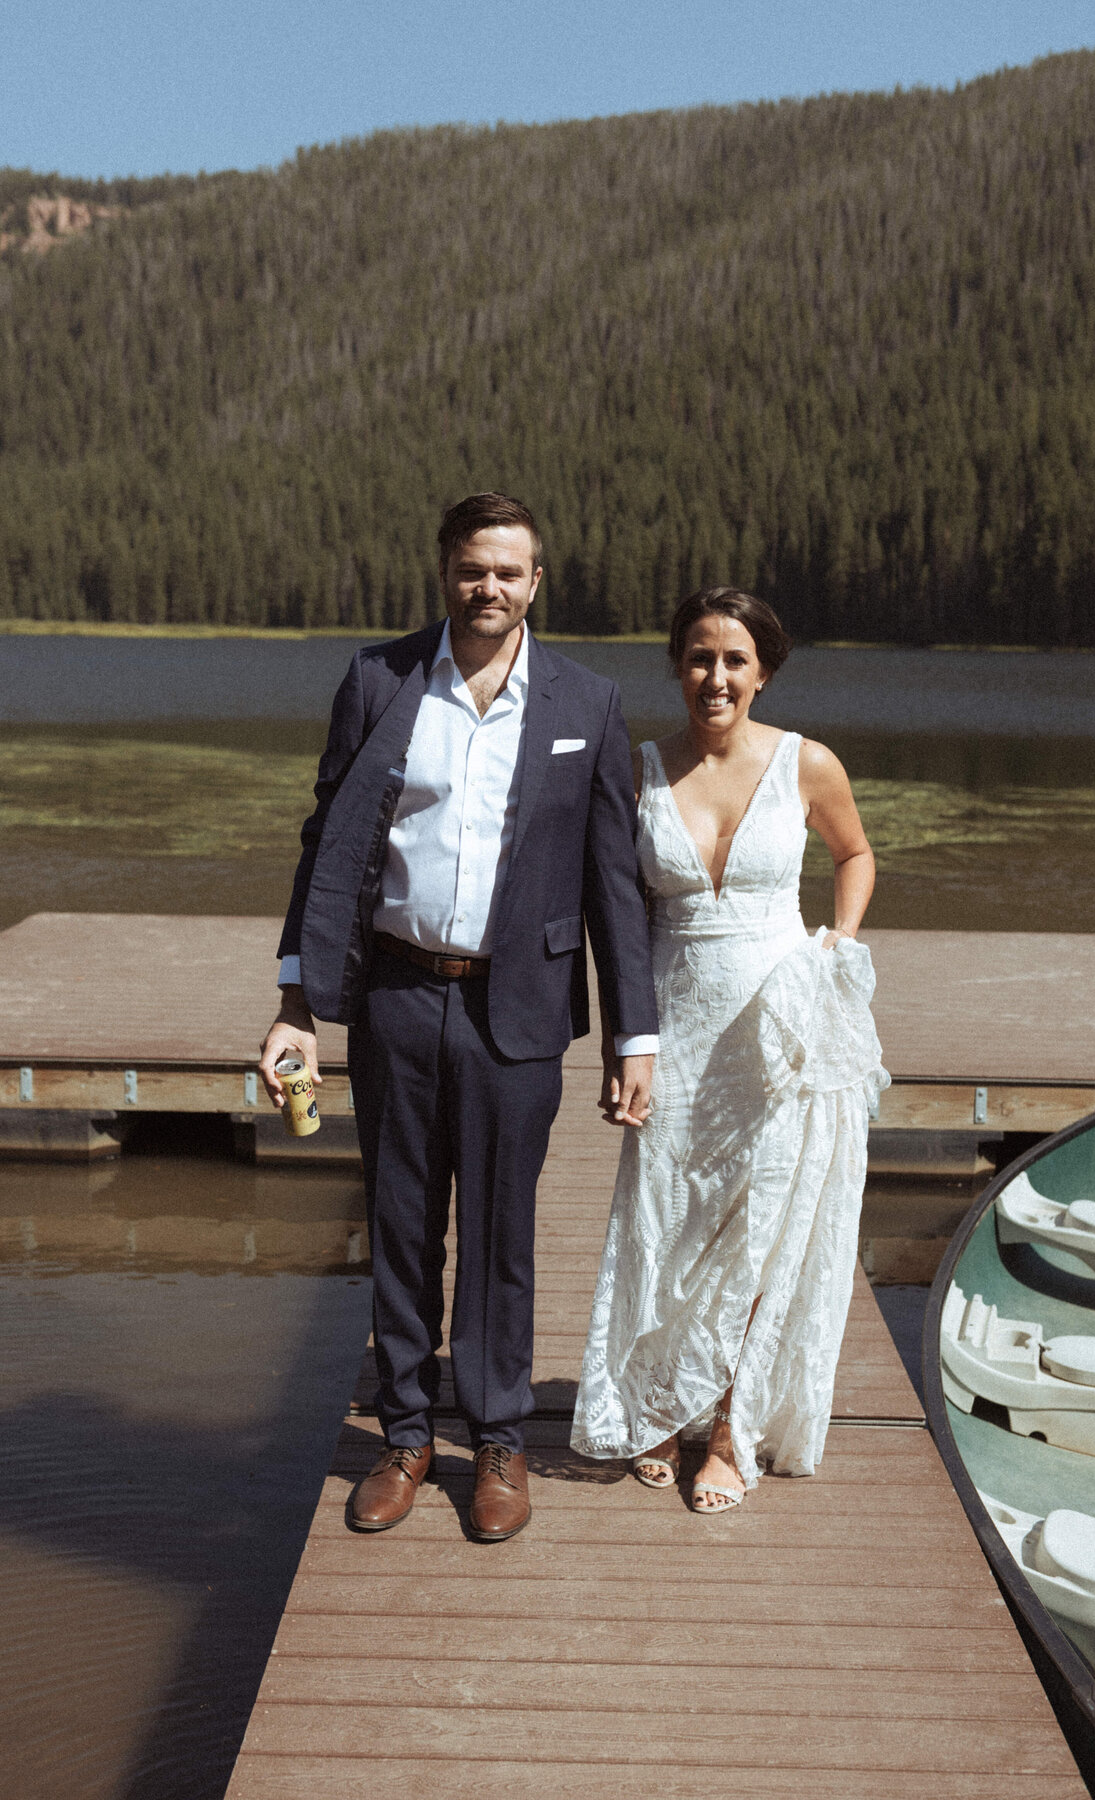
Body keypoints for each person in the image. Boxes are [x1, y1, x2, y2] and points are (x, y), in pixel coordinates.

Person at [259, 493, 658, 1542]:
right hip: (393, 995)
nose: (489, 587)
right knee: (398, 1222)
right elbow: (327, 845)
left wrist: (635, 1036)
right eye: (473, 569)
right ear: (445, 571)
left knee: (500, 1230)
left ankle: (497, 1437)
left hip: (515, 1007)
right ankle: (404, 1431)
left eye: (508, 572)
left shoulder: (587, 703)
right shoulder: (381, 680)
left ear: (537, 581)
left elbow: (615, 884)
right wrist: (299, 1001)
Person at [571, 587, 889, 1512]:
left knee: (761, 1225)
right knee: (667, 1218)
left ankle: (728, 1430)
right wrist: (622, 1041)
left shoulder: (807, 763)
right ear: (677, 665)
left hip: (777, 1025)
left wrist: (839, 939)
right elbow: (617, 914)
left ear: (764, 672)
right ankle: (660, 1406)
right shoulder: (637, 770)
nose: (716, 677)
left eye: (735, 661)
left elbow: (856, 855)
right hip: (674, 1020)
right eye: (700, 658)